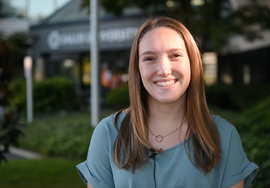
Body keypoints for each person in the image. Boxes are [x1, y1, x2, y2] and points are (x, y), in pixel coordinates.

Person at [76, 16, 258, 188]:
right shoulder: (108, 134)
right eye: (149, 58)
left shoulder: (224, 135)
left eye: (175, 55)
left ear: (192, 63)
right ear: (137, 69)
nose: (163, 69)